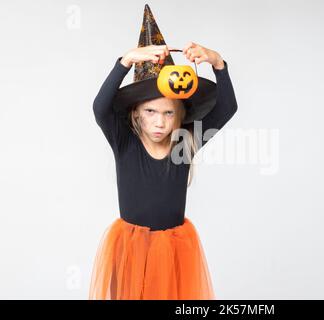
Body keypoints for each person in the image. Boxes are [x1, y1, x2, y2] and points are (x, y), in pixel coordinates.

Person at [88, 3, 238, 301]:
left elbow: (227, 107)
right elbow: (100, 108)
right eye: (151, 111)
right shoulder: (125, 142)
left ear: (180, 115)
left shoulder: (184, 142)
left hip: (173, 250)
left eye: (169, 113)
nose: (159, 121)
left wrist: (218, 64)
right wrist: (125, 61)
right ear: (136, 113)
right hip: (130, 250)